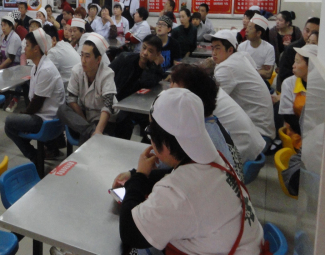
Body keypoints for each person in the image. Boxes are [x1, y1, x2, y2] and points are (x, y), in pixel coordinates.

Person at [116, 88, 264, 254]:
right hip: (249, 245)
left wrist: (140, 176)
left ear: (165, 143)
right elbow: (176, 177)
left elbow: (130, 233)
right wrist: (139, 174)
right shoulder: (213, 159)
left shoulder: (178, 192)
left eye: (150, 132)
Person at [169, 65, 244, 178]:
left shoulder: (198, 135)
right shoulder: (213, 123)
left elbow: (161, 161)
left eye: (175, 95)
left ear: (196, 101)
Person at [4, 29, 65, 162]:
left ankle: (35, 157)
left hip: (48, 120)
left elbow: (36, 103)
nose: (24, 49)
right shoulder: (36, 67)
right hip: (41, 115)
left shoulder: (46, 69)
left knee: (9, 122)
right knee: (13, 125)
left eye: (27, 45)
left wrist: (24, 115)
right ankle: (45, 150)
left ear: (36, 49)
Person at [209, 30, 276, 141]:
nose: (213, 53)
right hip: (261, 128)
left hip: (258, 135)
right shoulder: (241, 57)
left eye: (218, 48)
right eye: (212, 48)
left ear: (230, 50)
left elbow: (211, 102)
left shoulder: (228, 67)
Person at [57, 33, 117, 144]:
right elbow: (71, 100)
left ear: (98, 59)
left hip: (102, 118)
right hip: (84, 115)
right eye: (82, 55)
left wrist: (98, 130)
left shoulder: (107, 74)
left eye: (87, 56)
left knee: (85, 137)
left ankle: (90, 132)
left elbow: (107, 106)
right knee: (62, 109)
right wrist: (86, 124)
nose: (83, 60)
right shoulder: (77, 70)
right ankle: (89, 131)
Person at [110, 35, 165, 139]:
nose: (145, 53)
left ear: (157, 54)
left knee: (153, 121)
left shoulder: (155, 69)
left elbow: (146, 82)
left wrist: (155, 65)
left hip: (137, 106)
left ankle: (148, 145)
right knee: (123, 120)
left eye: (150, 51)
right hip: (117, 100)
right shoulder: (125, 58)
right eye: (144, 48)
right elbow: (106, 74)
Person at [279, 44, 317, 150]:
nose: (293, 65)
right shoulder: (289, 83)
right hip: (297, 135)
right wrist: (308, 136)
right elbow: (288, 115)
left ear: (311, 65)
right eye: (294, 61)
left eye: (297, 62)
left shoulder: (320, 85)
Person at [277, 17, 320, 92]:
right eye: (307, 31)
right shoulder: (292, 49)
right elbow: (284, 74)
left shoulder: (321, 53)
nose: (309, 35)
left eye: (314, 32)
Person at [238, 14, 276, 80]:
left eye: (250, 28)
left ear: (258, 33)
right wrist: (259, 71)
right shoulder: (242, 46)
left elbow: (267, 74)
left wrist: (247, 71)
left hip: (261, 81)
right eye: (247, 27)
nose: (246, 30)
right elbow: (239, 69)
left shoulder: (269, 48)